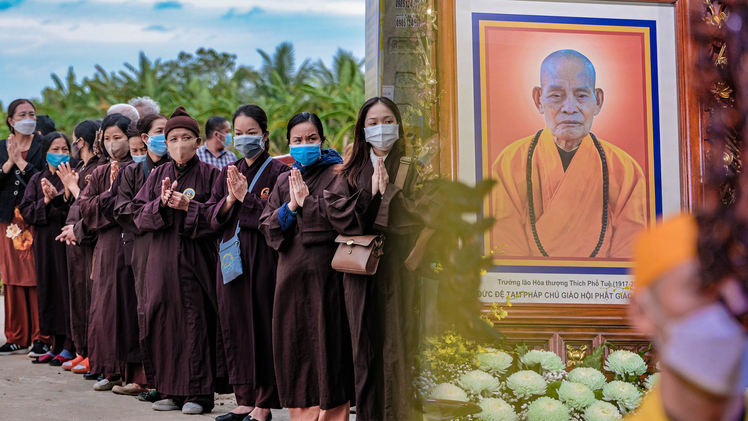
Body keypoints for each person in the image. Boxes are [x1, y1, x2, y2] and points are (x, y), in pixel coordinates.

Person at [491, 49, 647, 258]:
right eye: (556, 96)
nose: (569, 108)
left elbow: (630, 257)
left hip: (600, 289)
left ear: (598, 100)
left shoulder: (625, 170)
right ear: (538, 100)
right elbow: (504, 249)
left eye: (581, 96)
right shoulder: (509, 164)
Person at [326, 97, 425, 421]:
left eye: (387, 120)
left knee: (399, 343)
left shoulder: (415, 168)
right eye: (373, 122)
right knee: (364, 347)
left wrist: (391, 195)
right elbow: (338, 215)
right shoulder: (349, 171)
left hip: (399, 268)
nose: (380, 128)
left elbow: (426, 210)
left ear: (397, 124)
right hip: (359, 272)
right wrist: (370, 195)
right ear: (362, 129)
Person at [259, 112, 355, 421]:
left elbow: (340, 215)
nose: (305, 145)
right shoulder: (283, 179)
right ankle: (302, 415)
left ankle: (332, 415)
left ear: (323, 141)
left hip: (328, 277)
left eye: (311, 139)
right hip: (290, 276)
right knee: (295, 345)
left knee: (329, 345)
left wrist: (307, 203)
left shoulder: (338, 173)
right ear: (288, 144)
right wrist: (291, 206)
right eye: (297, 140)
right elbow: (267, 224)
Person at [131, 106, 221, 415]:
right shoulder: (157, 175)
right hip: (161, 263)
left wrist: (188, 207)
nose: (179, 144)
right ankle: (168, 390)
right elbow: (137, 216)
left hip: (196, 263)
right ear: (165, 143)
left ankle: (199, 393)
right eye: (173, 138)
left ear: (198, 142)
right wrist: (160, 203)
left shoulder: (212, 174)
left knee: (195, 322)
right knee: (162, 321)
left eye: (186, 137)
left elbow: (220, 218)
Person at [207, 105, 289, 421]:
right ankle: (243, 398)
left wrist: (247, 198)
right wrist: (229, 199)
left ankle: (264, 403)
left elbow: (278, 217)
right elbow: (210, 219)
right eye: (238, 133)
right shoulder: (228, 172)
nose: (244, 139)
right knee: (234, 323)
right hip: (230, 258)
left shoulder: (279, 173)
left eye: (251, 133)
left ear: (265, 136)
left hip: (264, 260)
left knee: (261, 324)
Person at [113, 112, 169, 401]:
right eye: (160, 131)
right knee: (143, 311)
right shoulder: (131, 172)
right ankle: (145, 379)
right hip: (140, 249)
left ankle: (171, 382)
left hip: (173, 250)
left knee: (171, 314)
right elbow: (121, 210)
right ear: (146, 138)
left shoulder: (178, 168)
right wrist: (154, 213)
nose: (166, 138)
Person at [78, 113, 135, 391]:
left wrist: (114, 195)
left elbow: (129, 209)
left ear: (130, 138)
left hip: (129, 244)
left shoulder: (138, 168)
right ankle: (109, 370)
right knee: (105, 306)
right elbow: (85, 208)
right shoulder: (99, 172)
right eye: (107, 139)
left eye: (119, 138)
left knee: (126, 305)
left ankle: (131, 372)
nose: (113, 145)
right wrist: (110, 192)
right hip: (106, 245)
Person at [53, 120, 108, 374]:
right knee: (76, 295)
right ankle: (81, 350)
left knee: (89, 297)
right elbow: (74, 205)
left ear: (81, 142)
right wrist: (64, 192)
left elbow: (91, 206)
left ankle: (92, 352)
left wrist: (74, 188)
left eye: (74, 140)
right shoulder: (80, 167)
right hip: (73, 239)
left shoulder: (99, 169)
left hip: (88, 240)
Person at [18, 132, 76, 367]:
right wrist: (46, 200)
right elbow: (26, 211)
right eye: (56, 149)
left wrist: (59, 199)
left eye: (65, 149)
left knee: (66, 290)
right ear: (45, 153)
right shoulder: (37, 179)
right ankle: (54, 345)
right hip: (44, 243)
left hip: (66, 243)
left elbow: (75, 208)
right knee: (48, 289)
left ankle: (70, 346)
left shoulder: (72, 176)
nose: (61, 154)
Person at [0, 99, 50, 357]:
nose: (28, 117)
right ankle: (16, 336)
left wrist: (20, 164)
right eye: (22, 114)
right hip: (9, 221)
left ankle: (41, 336)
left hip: (35, 218)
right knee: (12, 277)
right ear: (11, 120)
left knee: (36, 274)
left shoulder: (44, 146)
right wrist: (8, 163)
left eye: (32, 113)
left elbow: (44, 178)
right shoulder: (0, 148)